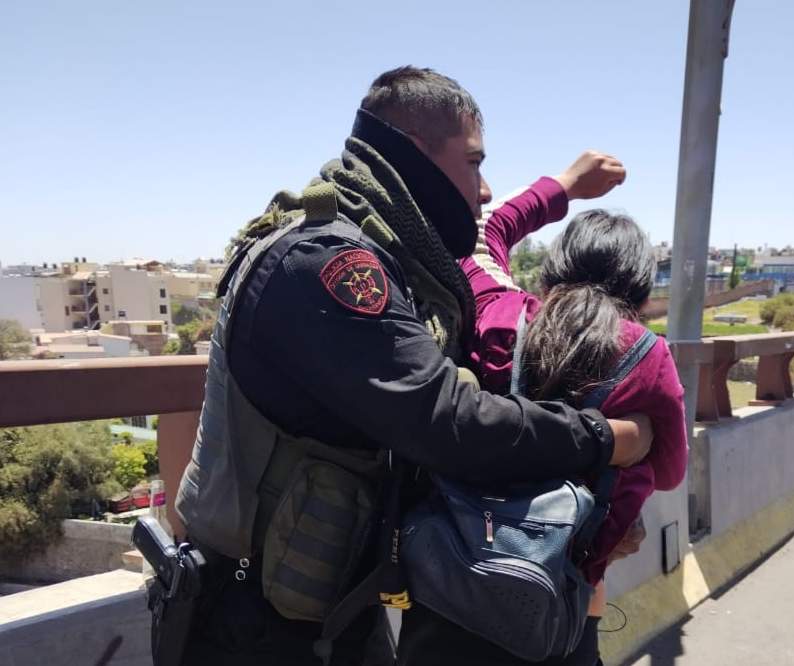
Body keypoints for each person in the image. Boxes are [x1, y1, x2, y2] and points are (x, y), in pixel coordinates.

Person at [171, 67, 651, 666]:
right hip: (254, 620)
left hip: (324, 603)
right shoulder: (328, 262)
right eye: (473, 163)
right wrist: (606, 440)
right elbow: (443, 418)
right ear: (418, 153)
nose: (482, 189)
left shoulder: (379, 251)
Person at [398, 153, 689, 666]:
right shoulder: (648, 355)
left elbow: (484, 228)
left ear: (552, 270)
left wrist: (567, 184)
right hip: (563, 613)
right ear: (641, 292)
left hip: (452, 587)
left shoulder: (499, 313)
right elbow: (668, 473)